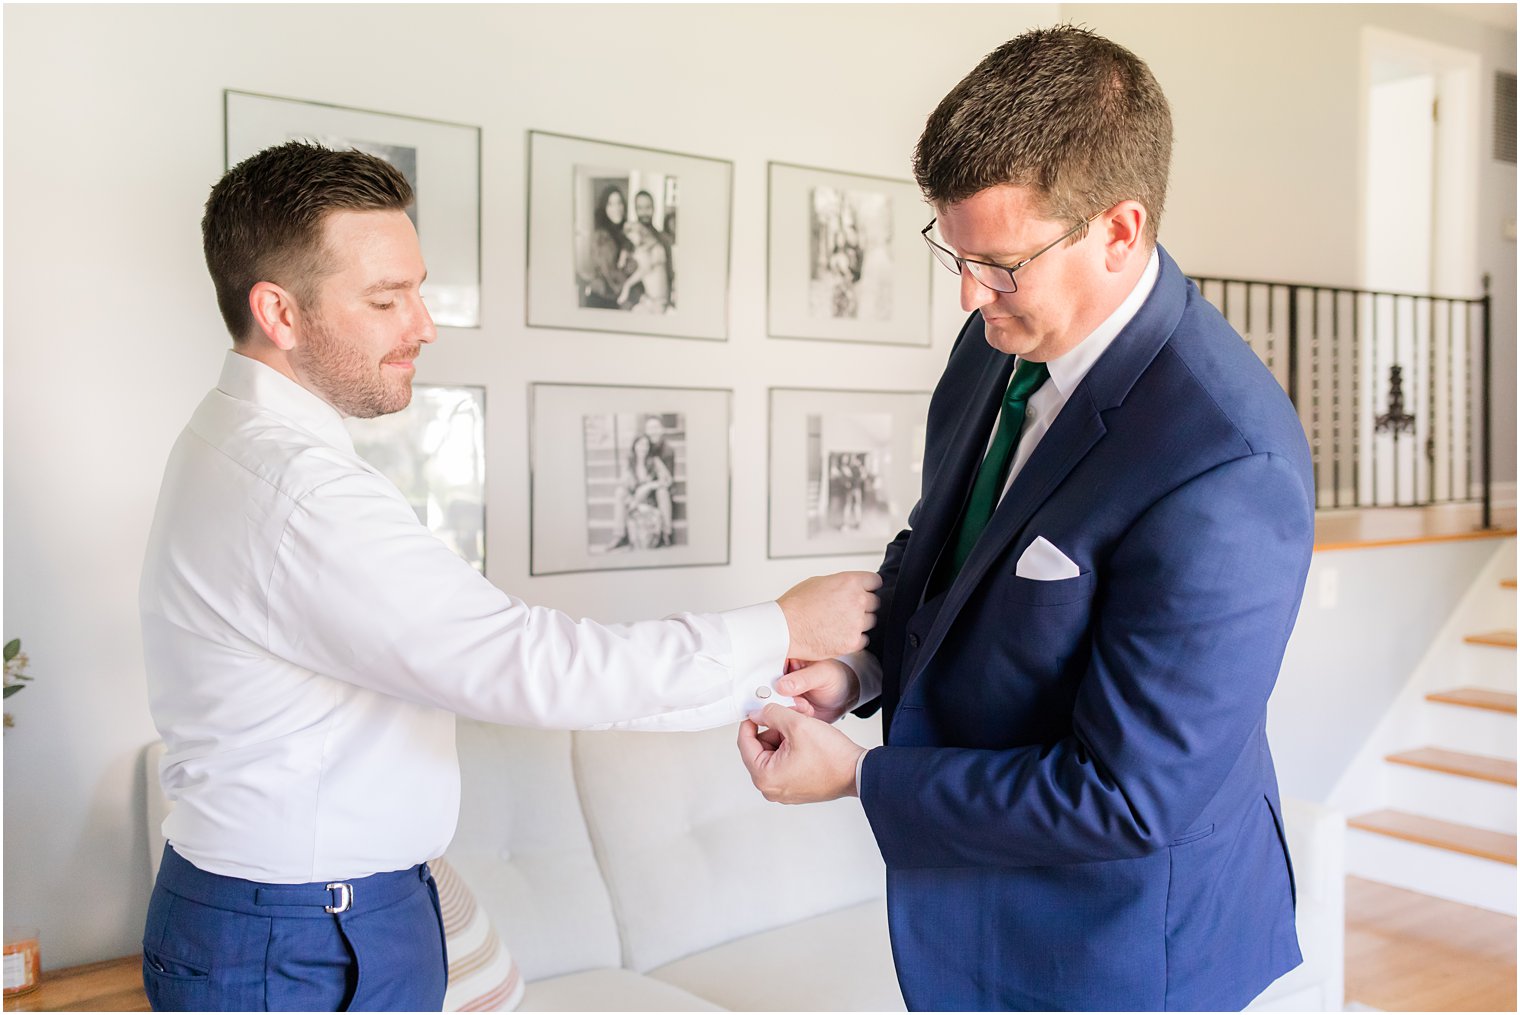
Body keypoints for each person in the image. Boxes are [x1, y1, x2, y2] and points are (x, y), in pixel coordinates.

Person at [140, 141, 880, 1012]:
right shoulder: (297, 493)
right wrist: (781, 627)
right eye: (386, 299)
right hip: (301, 941)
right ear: (279, 311)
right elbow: (525, 662)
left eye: (416, 288)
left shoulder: (238, 446)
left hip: (321, 919)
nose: (423, 324)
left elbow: (509, 666)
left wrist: (777, 680)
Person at [738, 25, 1314, 1012]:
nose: (968, 295)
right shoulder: (995, 344)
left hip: (1121, 952)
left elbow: (1126, 796)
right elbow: (947, 556)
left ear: (1118, 230)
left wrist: (857, 782)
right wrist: (862, 669)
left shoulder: (1226, 462)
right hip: (972, 924)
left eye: (1000, 263)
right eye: (953, 253)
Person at [606, 432, 675, 550]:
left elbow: (668, 480)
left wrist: (649, 485)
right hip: (634, 500)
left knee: (662, 492)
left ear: (649, 447)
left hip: (650, 501)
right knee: (619, 492)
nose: (643, 447)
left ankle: (666, 533)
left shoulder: (654, 461)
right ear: (634, 446)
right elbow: (624, 483)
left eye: (646, 445)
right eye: (640, 444)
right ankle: (619, 535)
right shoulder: (629, 461)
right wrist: (636, 495)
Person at [578, 183, 632, 309]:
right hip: (603, 300)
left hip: (616, 298)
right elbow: (609, 274)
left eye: (619, 203)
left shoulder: (624, 231)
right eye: (610, 204)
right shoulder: (601, 236)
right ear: (604, 208)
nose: (617, 208)